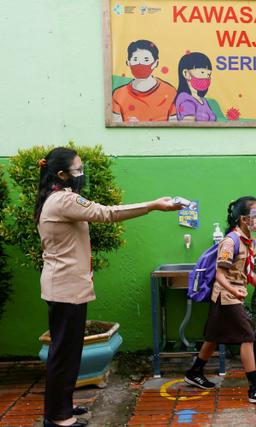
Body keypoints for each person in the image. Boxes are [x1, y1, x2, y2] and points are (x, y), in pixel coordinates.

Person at [35, 147, 183, 427]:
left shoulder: (54, 197)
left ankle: (62, 406)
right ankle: (57, 417)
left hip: (66, 285)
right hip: (65, 288)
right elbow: (107, 213)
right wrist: (152, 205)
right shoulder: (64, 200)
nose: (81, 174)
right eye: (77, 169)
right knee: (64, 354)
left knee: (68, 351)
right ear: (62, 174)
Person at [183, 197, 256, 404]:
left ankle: (194, 372)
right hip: (226, 296)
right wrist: (234, 292)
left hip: (231, 295)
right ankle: (254, 389)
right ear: (243, 219)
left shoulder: (249, 240)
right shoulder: (230, 242)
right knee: (247, 336)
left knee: (213, 336)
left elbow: (249, 272)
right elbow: (220, 275)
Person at [112, 40, 177, 123]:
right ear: (128, 63)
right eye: (135, 59)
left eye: (146, 60)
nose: (140, 63)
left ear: (155, 63)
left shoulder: (169, 91)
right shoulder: (119, 94)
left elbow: (174, 126)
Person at [174, 52, 217, 122]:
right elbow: (188, 125)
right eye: (202, 72)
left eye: (208, 74)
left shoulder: (203, 101)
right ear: (186, 73)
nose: (206, 77)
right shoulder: (185, 98)